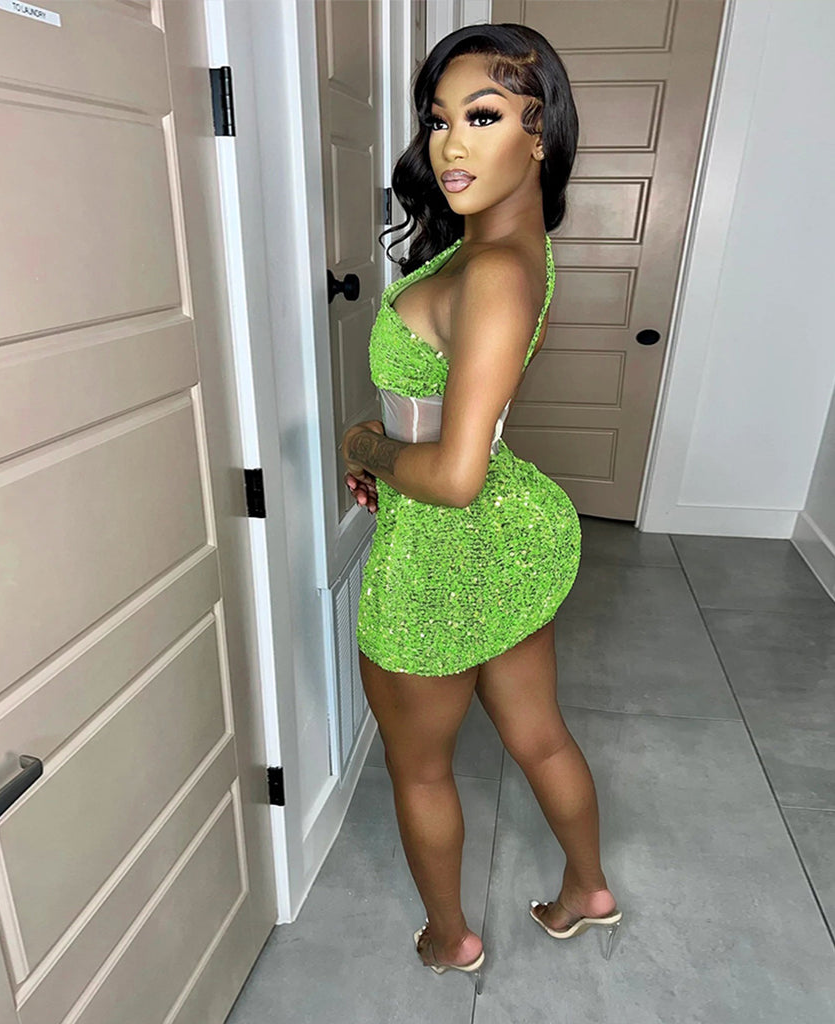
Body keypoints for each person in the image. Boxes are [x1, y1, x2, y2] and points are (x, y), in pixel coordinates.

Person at [340, 23, 621, 992]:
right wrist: (399, 460)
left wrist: (367, 446)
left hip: (442, 546)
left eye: (484, 116)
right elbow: (461, 444)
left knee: (420, 767)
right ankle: (587, 888)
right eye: (438, 120)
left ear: (541, 134)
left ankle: (450, 938)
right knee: (537, 733)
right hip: (503, 533)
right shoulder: (508, 247)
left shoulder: (494, 270)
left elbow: (455, 476)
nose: (451, 144)